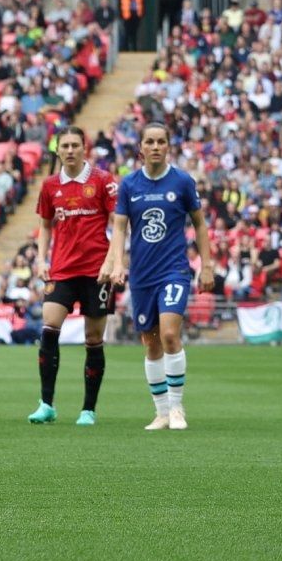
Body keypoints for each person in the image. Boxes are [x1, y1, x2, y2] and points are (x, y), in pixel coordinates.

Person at [102, 122, 212, 432]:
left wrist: (207, 265)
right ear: (140, 147)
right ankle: (161, 412)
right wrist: (118, 264)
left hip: (174, 271)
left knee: (169, 335)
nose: (155, 146)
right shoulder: (129, 184)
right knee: (150, 345)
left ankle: (176, 408)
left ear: (168, 147)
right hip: (141, 275)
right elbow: (119, 227)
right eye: (149, 141)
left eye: (160, 141)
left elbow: (200, 225)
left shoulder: (182, 181)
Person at [27, 126, 119, 426]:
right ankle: (46, 404)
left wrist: (113, 261)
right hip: (62, 269)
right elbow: (45, 225)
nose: (69, 150)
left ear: (84, 148)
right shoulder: (50, 185)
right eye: (64, 145)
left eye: (74, 145)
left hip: (97, 272)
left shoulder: (103, 181)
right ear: (57, 150)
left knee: (93, 339)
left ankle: (88, 410)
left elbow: (119, 225)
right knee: (49, 327)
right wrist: (41, 259)